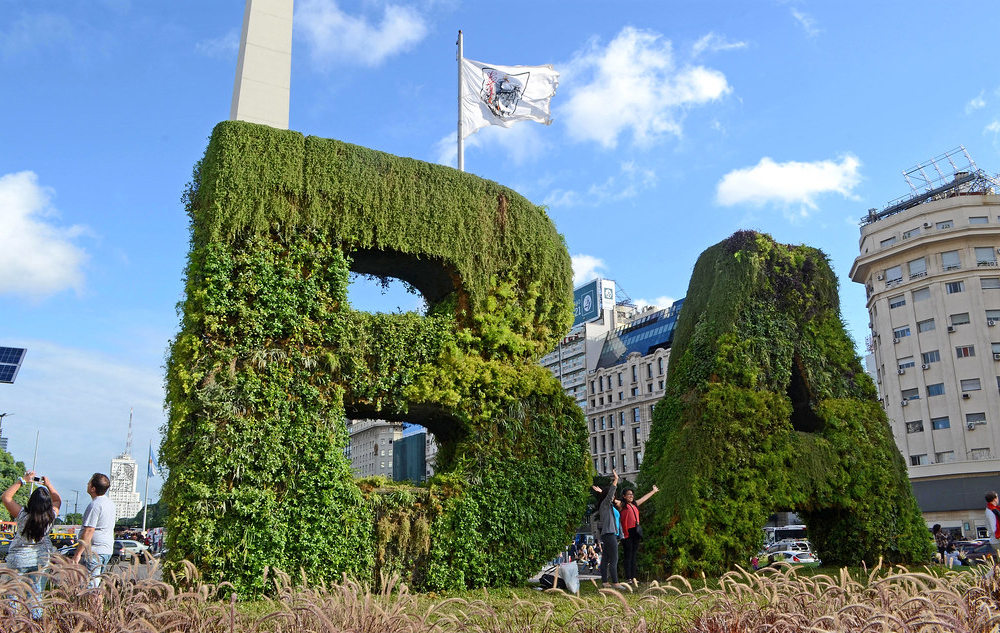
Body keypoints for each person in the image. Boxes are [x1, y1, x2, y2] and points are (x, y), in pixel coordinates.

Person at [2, 471, 62, 620]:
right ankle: (35, 625)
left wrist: (22, 480)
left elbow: (6, 497)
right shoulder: (51, 516)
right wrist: (48, 484)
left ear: (31, 501)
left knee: (13, 594)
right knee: (36, 595)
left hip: (18, 559)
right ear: (47, 504)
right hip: (41, 559)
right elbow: (58, 500)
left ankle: (12, 623)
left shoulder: (22, 515)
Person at [71, 473, 116, 588]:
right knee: (97, 585)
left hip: (95, 551)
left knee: (91, 588)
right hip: (106, 549)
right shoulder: (110, 503)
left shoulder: (95, 505)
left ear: (93, 488)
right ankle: (98, 606)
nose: (87, 483)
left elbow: (89, 531)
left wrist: (78, 554)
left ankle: (94, 606)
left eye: (89, 482)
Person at [618, 484, 659, 586]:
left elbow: (644, 498)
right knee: (628, 555)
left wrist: (653, 491)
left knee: (634, 556)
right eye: (628, 494)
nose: (631, 496)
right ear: (624, 496)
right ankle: (628, 578)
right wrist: (602, 492)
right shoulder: (622, 505)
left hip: (636, 531)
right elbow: (612, 499)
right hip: (627, 532)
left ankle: (634, 577)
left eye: (632, 494)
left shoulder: (635, 504)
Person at [592, 469, 620, 587]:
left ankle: (605, 581)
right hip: (609, 534)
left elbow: (609, 497)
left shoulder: (606, 505)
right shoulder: (605, 504)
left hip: (609, 534)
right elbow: (609, 496)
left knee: (606, 559)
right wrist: (616, 480)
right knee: (614, 558)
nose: (613, 497)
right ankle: (615, 582)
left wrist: (601, 492)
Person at [986, 491, 1000, 560]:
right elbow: (994, 529)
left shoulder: (993, 509)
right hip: (997, 541)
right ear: (994, 499)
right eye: (997, 497)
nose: (998, 499)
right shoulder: (991, 512)